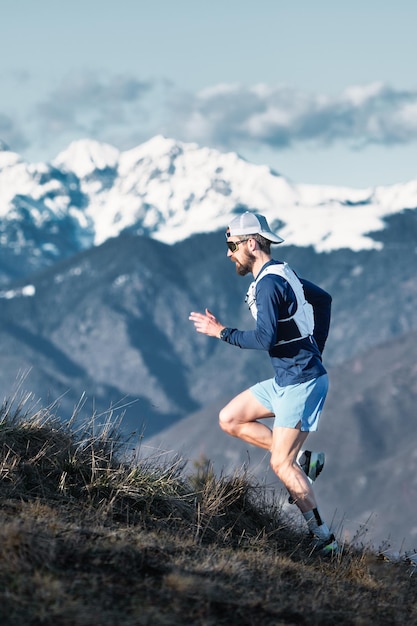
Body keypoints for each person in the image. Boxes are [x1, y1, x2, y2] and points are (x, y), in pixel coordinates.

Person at [189, 211, 339, 556]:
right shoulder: (282, 272)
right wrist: (316, 347)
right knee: (230, 418)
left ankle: (324, 540)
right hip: (288, 379)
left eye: (232, 245)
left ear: (251, 243)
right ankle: (305, 460)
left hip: (302, 382)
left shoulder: (270, 282)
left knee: (279, 465)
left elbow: (266, 338)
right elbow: (324, 300)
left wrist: (221, 332)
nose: (229, 253)